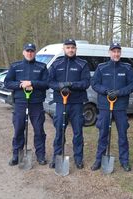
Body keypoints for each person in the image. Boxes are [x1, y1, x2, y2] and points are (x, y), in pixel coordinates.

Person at [90, 43, 133, 172]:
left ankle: (124, 161)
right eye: (113, 51)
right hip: (105, 106)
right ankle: (99, 160)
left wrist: (119, 92)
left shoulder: (127, 68)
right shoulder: (102, 68)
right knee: (103, 133)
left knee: (123, 134)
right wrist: (105, 91)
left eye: (118, 52)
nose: (116, 54)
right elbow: (94, 83)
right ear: (109, 53)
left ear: (120, 53)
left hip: (121, 107)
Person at [48, 39, 90, 169]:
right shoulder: (56, 64)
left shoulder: (82, 64)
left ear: (76, 49)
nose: (70, 50)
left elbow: (86, 82)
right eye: (68, 47)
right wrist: (60, 86)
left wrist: (70, 85)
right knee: (59, 131)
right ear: (63, 48)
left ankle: (78, 158)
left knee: (78, 132)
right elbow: (50, 82)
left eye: (73, 47)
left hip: (77, 103)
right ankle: (57, 157)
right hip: (61, 103)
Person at [5, 43, 49, 166]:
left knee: (39, 130)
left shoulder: (42, 67)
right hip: (20, 103)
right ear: (23, 52)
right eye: (27, 51)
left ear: (35, 53)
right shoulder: (15, 66)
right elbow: (7, 83)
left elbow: (47, 83)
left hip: (36, 103)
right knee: (19, 128)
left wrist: (32, 83)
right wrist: (20, 85)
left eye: (32, 51)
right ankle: (16, 154)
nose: (29, 53)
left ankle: (40, 155)